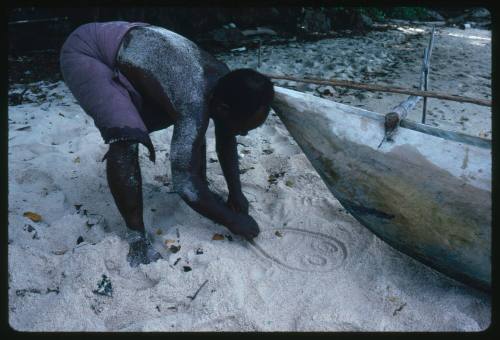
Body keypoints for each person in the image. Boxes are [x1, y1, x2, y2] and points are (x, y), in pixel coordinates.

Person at [60, 21, 274, 267]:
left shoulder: (225, 82)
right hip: (88, 52)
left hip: (130, 48)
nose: (245, 134)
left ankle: (202, 186)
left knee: (189, 124)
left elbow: (226, 135)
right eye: (244, 127)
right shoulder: (195, 98)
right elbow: (184, 182)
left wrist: (236, 193)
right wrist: (231, 220)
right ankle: (136, 237)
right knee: (127, 137)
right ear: (223, 108)